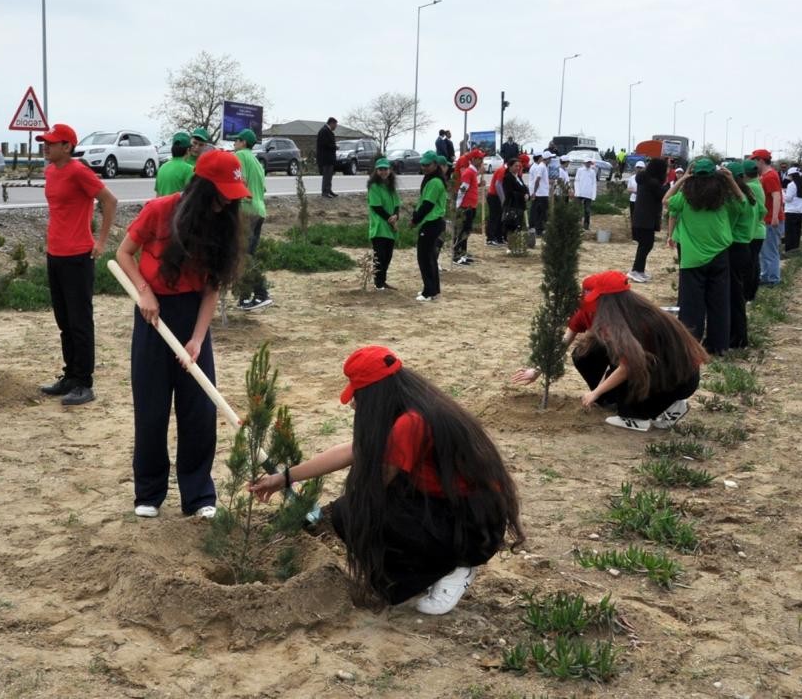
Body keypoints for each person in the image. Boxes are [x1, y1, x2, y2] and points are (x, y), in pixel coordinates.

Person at [249, 346, 525, 613]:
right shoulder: (413, 403)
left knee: (356, 511)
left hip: (472, 526)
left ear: (375, 393)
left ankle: (455, 567)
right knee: (356, 508)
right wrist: (283, 478)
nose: (354, 403)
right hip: (456, 510)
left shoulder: (412, 423)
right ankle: (432, 569)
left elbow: (375, 485)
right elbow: (351, 450)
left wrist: (329, 515)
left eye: (358, 395)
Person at [116, 150, 248, 519]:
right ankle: (149, 492)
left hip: (193, 317)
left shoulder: (222, 225)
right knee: (152, 408)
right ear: (202, 189)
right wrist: (144, 291)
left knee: (199, 410)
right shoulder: (159, 210)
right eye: (222, 193)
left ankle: (199, 495)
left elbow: (212, 288)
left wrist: (197, 339)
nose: (227, 202)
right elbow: (124, 254)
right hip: (152, 315)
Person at [512, 271, 707, 432]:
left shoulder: (638, 322)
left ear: (608, 300)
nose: (586, 300)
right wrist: (537, 369)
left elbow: (628, 367)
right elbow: (564, 340)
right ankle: (616, 400)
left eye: (591, 296)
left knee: (633, 410)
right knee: (585, 352)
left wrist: (595, 393)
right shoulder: (591, 312)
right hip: (645, 366)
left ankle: (650, 412)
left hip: (677, 377)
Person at [37, 123, 119, 406]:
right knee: (64, 321)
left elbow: (110, 201)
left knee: (80, 321)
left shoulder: (79, 171)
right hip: (55, 254)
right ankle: (70, 376)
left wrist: (102, 241)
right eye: (44, 142)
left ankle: (84, 382)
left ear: (67, 147)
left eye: (51, 142)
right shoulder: (50, 171)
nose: (45, 146)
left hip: (78, 257)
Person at [663, 159, 744, 355]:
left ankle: (690, 346)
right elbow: (743, 202)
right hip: (719, 256)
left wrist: (682, 179)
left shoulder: (685, 197)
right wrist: (731, 180)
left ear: (693, 175)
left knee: (691, 306)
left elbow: (665, 200)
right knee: (719, 303)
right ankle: (719, 346)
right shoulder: (723, 197)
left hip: (691, 258)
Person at [233, 128, 272, 310]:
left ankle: (261, 293)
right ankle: (245, 297)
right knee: (247, 254)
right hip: (259, 210)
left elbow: (242, 183)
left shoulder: (240, 156)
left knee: (245, 255)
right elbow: (262, 189)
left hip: (246, 210)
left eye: (237, 140)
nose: (234, 144)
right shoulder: (257, 162)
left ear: (244, 143)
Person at [725, 161, 760, 349]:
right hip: (744, 246)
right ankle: (739, 336)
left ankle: (737, 338)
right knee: (737, 294)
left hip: (734, 248)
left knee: (734, 296)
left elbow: (726, 225)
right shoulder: (750, 194)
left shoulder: (737, 200)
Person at [410, 152, 447, 302]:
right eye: (423, 164)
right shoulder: (431, 179)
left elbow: (427, 204)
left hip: (431, 222)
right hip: (432, 222)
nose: (424, 167)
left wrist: (415, 220)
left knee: (424, 257)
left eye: (427, 165)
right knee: (430, 256)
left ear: (435, 165)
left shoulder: (435, 182)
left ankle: (428, 292)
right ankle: (434, 289)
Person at [627, 157, 668, 283]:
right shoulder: (652, 183)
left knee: (645, 245)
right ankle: (635, 270)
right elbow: (663, 194)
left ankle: (640, 270)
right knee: (646, 245)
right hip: (645, 219)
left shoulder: (644, 180)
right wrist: (672, 184)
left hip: (642, 218)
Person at [366, 157, 401, 289]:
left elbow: (397, 204)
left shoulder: (390, 186)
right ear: (376, 170)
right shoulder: (374, 186)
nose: (383, 172)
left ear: (390, 170)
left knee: (388, 256)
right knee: (380, 256)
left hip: (390, 228)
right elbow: (376, 206)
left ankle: (383, 281)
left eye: (385, 169)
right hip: (379, 226)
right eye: (380, 169)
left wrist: (396, 216)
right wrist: (390, 218)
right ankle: (378, 283)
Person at [751, 149, 784, 286]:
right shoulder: (767, 175)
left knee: (769, 250)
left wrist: (775, 216)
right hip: (768, 218)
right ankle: (767, 276)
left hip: (771, 219)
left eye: (754, 160)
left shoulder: (770, 176)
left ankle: (772, 279)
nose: (753, 163)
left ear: (761, 160)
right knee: (765, 251)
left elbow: (776, 196)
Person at [741, 162, 767, 302]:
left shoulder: (750, 187)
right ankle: (750, 293)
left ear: (744, 174)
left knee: (749, 265)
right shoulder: (757, 183)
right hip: (758, 231)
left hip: (753, 231)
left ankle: (748, 294)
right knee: (753, 263)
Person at [452, 152, 481, 265]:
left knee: (467, 231)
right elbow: (463, 189)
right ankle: (457, 255)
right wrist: (458, 205)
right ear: (473, 159)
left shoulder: (472, 172)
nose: (481, 161)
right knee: (462, 231)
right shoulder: (469, 172)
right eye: (479, 159)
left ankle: (463, 253)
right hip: (465, 206)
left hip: (471, 206)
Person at [154, 132, 194, 196]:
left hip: (162, 205)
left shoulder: (162, 168)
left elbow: (157, 196)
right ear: (187, 150)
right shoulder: (189, 169)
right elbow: (192, 196)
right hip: (178, 206)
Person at [502, 156, 529, 248]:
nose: (517, 168)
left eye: (519, 166)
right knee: (511, 225)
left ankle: (516, 244)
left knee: (518, 225)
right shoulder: (507, 177)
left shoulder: (518, 177)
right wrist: (522, 195)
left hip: (520, 205)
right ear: (510, 166)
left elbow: (524, 188)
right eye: (515, 166)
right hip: (512, 205)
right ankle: (510, 244)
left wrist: (527, 194)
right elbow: (509, 192)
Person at [484, 156, 509, 247]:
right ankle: (490, 238)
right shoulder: (502, 170)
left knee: (500, 218)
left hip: (498, 197)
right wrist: (503, 199)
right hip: (494, 196)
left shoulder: (507, 172)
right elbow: (498, 185)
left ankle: (499, 237)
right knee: (494, 217)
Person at [783, 166, 802, 253]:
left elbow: (788, 199)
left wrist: (782, 193)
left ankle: (789, 250)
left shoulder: (791, 185)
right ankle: (796, 248)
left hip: (790, 211)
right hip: (799, 211)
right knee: (797, 231)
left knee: (789, 232)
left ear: (792, 175)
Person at [527, 151, 551, 235]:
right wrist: (534, 192)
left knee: (538, 211)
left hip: (540, 192)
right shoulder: (539, 167)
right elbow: (536, 180)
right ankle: (537, 229)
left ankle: (537, 228)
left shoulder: (540, 166)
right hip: (539, 193)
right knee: (538, 212)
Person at [317, 117, 338, 198]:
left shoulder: (328, 131)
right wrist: (335, 147)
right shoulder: (324, 131)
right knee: (327, 175)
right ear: (331, 123)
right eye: (335, 125)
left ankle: (329, 190)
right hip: (326, 158)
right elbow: (325, 144)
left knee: (329, 175)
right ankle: (325, 192)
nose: (336, 127)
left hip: (330, 158)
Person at [574, 159, 598, 230]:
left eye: (589, 163)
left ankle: (586, 226)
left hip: (588, 194)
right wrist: (577, 192)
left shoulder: (592, 172)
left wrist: (593, 195)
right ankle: (577, 225)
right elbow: (576, 181)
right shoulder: (580, 170)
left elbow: (594, 183)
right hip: (580, 193)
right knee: (577, 210)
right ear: (584, 163)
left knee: (587, 210)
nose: (588, 164)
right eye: (587, 162)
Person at [625, 160, 645, 225]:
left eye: (641, 168)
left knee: (641, 216)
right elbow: (628, 188)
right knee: (633, 216)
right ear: (635, 168)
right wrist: (635, 191)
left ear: (644, 168)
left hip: (642, 200)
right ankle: (634, 230)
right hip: (633, 200)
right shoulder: (632, 178)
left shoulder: (647, 178)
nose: (639, 169)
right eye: (638, 167)